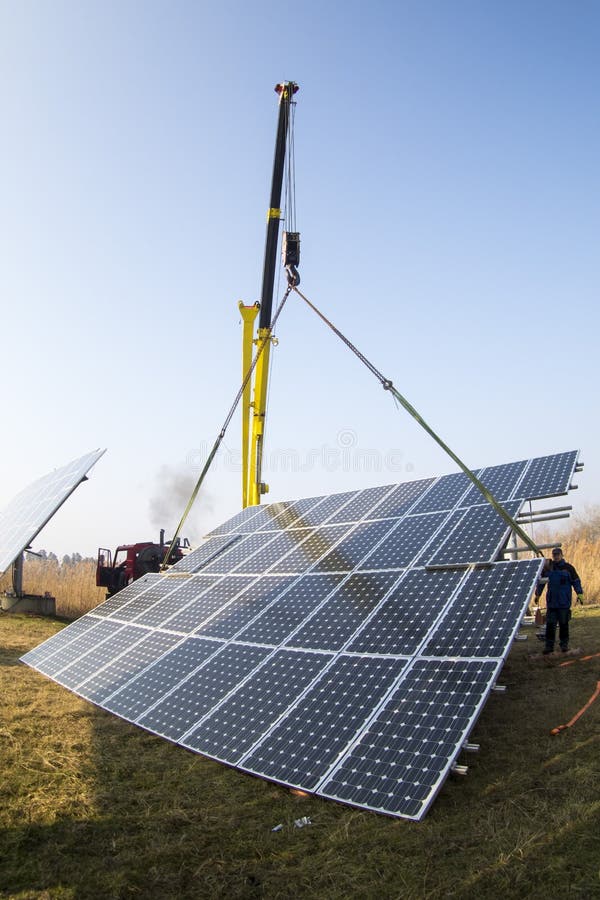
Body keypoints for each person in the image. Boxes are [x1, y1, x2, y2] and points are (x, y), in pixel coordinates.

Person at [536, 547, 584, 654]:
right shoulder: (548, 568)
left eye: (558, 555)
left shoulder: (568, 568)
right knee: (550, 625)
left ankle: (564, 645)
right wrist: (537, 594)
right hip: (552, 603)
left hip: (564, 603)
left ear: (562, 555)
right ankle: (549, 647)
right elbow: (541, 582)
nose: (556, 557)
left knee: (563, 624)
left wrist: (580, 593)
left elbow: (576, 581)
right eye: (554, 555)